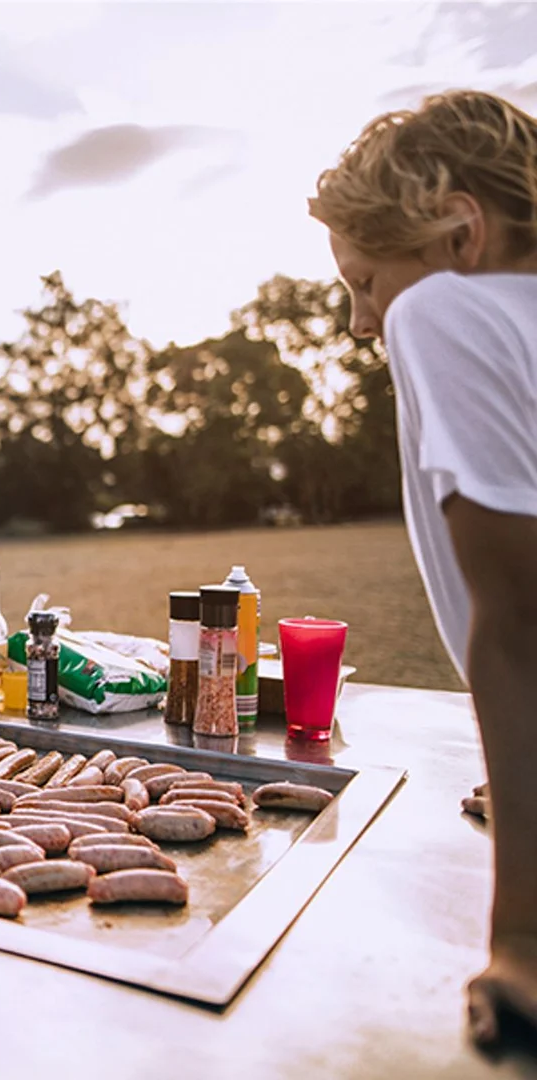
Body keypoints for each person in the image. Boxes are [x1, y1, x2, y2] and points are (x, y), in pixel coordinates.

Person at [309, 89, 537, 1047]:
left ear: (459, 233)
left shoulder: (442, 308)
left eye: (366, 283)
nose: (365, 324)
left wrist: (525, 937)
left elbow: (521, 619)